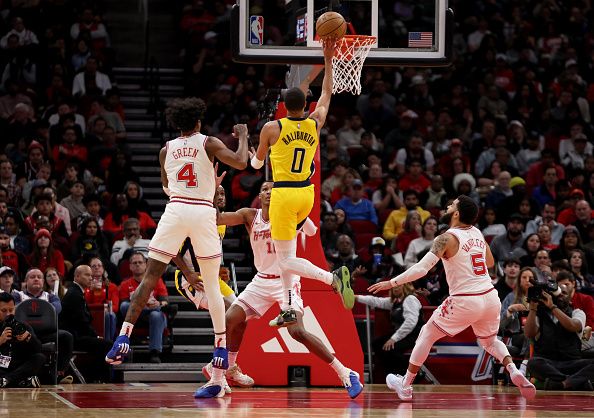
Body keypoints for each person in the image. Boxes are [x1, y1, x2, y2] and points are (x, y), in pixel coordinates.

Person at [105, 97, 249, 400]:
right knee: (212, 286)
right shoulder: (208, 142)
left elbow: (168, 187)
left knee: (149, 277)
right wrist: (244, 136)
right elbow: (241, 161)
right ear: (198, 122)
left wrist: (203, 182)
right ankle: (221, 349)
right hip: (201, 212)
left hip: (175, 210)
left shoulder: (165, 150)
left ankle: (122, 338)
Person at [368, 195, 535, 401]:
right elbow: (490, 262)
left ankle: (405, 385)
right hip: (490, 296)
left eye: (452, 204)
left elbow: (421, 268)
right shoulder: (476, 232)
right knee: (490, 342)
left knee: (426, 334)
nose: (448, 205)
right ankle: (513, 369)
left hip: (465, 298)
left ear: (456, 213)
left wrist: (392, 283)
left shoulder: (445, 238)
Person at [204, 181, 362, 397]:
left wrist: (301, 211)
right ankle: (228, 370)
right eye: (265, 189)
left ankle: (345, 373)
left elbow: (312, 230)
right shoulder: (250, 215)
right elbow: (218, 219)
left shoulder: (288, 214)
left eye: (273, 189)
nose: (269, 192)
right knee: (231, 318)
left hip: (286, 281)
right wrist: (212, 194)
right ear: (259, 195)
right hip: (260, 281)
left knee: (297, 332)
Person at [252, 39, 353, 328]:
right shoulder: (314, 122)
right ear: (304, 105)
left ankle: (331, 277)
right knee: (290, 254)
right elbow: (327, 92)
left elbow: (257, 164)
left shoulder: (272, 127)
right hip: (306, 193)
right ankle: (288, 305)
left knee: (285, 261)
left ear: (284, 106)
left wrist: (253, 156)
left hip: (283, 194)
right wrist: (328, 58)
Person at [524, 277, 594, 390]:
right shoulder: (539, 314)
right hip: (548, 363)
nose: (560, 296)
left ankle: (562, 383)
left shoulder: (577, 312)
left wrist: (552, 307)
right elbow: (529, 334)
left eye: (564, 293)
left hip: (572, 363)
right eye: (558, 294)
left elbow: (573, 326)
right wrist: (532, 309)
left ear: (570, 297)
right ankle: (572, 381)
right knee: (533, 363)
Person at [355, 283, 423, 376]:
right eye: (393, 287)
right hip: (403, 334)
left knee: (391, 349)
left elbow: (410, 322)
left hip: (415, 334)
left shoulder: (410, 299)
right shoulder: (395, 301)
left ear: (405, 286)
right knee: (377, 344)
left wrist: (393, 339)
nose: (395, 289)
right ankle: (393, 375)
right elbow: (377, 301)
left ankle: (413, 374)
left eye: (398, 286)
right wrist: (357, 297)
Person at [60, 265, 112, 382]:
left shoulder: (76, 292)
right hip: (74, 338)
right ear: (77, 276)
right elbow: (82, 322)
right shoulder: (74, 294)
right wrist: (95, 336)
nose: (91, 278)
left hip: (76, 335)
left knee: (104, 344)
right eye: (87, 275)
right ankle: (99, 379)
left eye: (91, 276)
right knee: (107, 345)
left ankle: (96, 378)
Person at [118, 252, 167, 363]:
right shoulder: (125, 284)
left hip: (152, 318)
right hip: (133, 318)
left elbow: (165, 302)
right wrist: (147, 305)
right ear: (130, 266)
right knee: (125, 306)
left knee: (156, 314)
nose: (137, 265)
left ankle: (155, 353)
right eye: (134, 263)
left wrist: (159, 304)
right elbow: (124, 307)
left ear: (146, 265)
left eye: (140, 262)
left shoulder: (157, 281)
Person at [0, 292, 45, 388]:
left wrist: (29, 338)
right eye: (3, 310)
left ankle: (7, 380)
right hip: (1, 366)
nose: (8, 314)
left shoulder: (22, 326)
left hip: (18, 366)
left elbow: (39, 348)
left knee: (40, 357)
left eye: (11, 310)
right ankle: (22, 381)